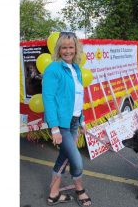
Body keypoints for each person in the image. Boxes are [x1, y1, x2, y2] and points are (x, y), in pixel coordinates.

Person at [42, 32, 92, 206]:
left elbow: (79, 97)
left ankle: (53, 194)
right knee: (76, 159)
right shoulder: (53, 69)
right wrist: (54, 128)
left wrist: (82, 121)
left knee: (64, 156)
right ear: (58, 49)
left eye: (71, 47)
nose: (68, 51)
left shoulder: (76, 68)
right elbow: (48, 98)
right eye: (64, 47)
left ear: (76, 48)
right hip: (61, 124)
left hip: (74, 121)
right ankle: (80, 190)